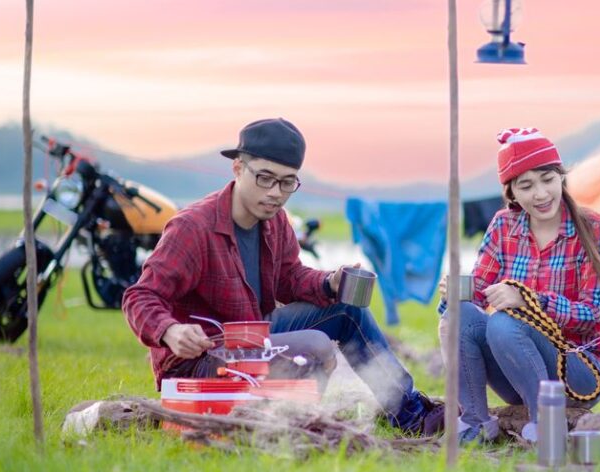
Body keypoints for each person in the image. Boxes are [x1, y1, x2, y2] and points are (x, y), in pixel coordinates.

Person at [122, 118, 445, 436]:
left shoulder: (275, 222)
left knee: (349, 309)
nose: (276, 193)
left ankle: (408, 412)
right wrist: (170, 330)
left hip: (252, 336)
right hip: (202, 356)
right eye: (265, 178)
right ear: (238, 168)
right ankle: (294, 426)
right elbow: (140, 295)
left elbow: (288, 278)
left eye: (287, 182)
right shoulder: (193, 227)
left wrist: (329, 282)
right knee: (315, 345)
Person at [439, 127, 600, 444]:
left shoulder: (592, 227)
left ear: (562, 178)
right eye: (526, 185)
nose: (540, 193)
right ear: (512, 194)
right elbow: (478, 292)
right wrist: (454, 293)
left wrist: (529, 301)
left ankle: (548, 428)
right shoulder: (503, 225)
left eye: (548, 180)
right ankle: (476, 423)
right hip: (516, 367)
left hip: (578, 370)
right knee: (459, 314)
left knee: (505, 322)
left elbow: (593, 315)